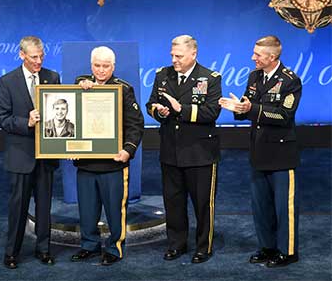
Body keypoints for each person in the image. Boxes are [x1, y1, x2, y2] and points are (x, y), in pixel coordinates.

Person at [219, 35, 302, 267]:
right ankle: (267, 247)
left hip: (282, 155)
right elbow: (250, 107)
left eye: (257, 54)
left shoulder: (290, 81)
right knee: (261, 206)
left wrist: (251, 108)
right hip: (258, 151)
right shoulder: (254, 76)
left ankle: (288, 251)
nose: (252, 57)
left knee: (284, 208)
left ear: (272, 56)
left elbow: (283, 116)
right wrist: (239, 109)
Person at [146, 35, 221, 264]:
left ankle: (203, 247)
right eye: (172, 55)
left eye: (179, 56)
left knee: (202, 205)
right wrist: (159, 111)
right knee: (173, 202)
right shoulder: (163, 75)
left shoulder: (209, 78)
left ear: (193, 55)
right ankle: (176, 244)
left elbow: (211, 113)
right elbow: (150, 105)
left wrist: (181, 109)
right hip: (170, 150)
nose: (174, 60)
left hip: (199, 153)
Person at [70, 46, 144, 266]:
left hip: (113, 164)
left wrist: (127, 150)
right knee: (87, 209)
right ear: (91, 65)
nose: (101, 71)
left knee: (114, 210)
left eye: (106, 66)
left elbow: (135, 124)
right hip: (86, 162)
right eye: (97, 65)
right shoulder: (80, 85)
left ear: (114, 66)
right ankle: (89, 245)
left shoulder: (123, 89)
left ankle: (114, 247)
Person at [0, 36, 60, 269]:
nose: (39, 61)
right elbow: (1, 119)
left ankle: (44, 249)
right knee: (18, 208)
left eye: (42, 56)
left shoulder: (52, 77)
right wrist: (27, 123)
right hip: (20, 156)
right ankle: (11, 252)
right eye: (34, 57)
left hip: (46, 155)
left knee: (44, 208)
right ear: (21, 55)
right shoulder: (7, 81)